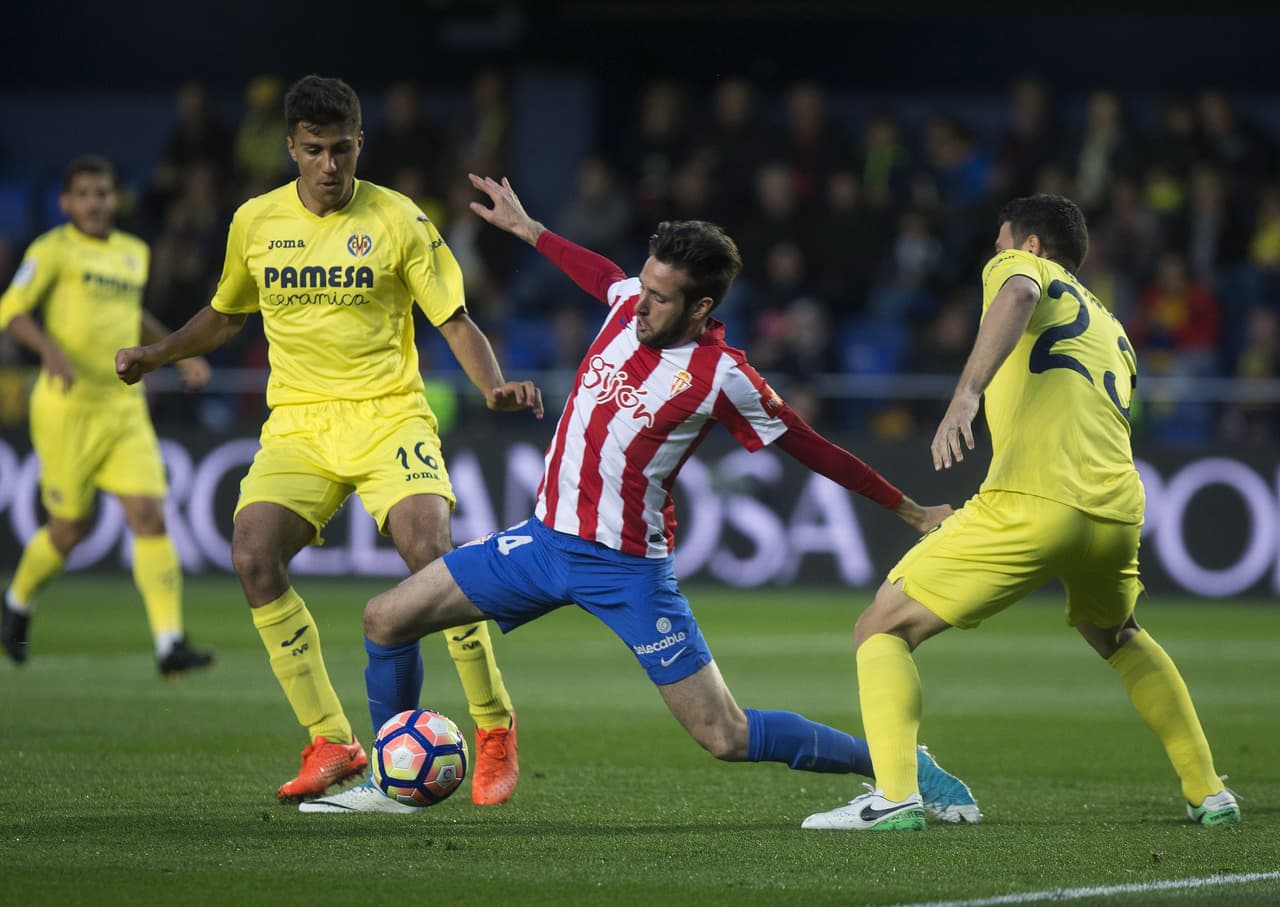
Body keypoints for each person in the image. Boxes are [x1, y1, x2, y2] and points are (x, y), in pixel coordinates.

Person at [297, 173, 981, 819]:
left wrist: (913, 510)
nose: (638, 301)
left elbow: (812, 446)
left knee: (724, 733)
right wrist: (532, 230)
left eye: (659, 296)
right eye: (643, 285)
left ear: (701, 306)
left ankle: (899, 761)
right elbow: (601, 275)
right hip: (540, 542)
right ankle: (392, 777)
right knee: (385, 618)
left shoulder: (722, 376)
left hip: (626, 569)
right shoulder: (631, 304)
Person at [115, 76, 543, 805]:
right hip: (299, 423)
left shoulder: (399, 218)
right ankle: (331, 739)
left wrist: (491, 384)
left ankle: (495, 727)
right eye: (313, 150)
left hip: (388, 414)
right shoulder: (254, 221)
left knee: (429, 552)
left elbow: (456, 320)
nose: (329, 165)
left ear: (359, 144)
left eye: (342, 149)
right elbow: (225, 315)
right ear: (291, 147)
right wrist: (155, 355)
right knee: (253, 553)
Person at [802, 194, 1241, 831]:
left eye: (1002, 242)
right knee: (1119, 636)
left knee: (881, 628)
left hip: (1034, 500)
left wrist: (965, 395)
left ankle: (895, 797)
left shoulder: (1021, 270)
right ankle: (1209, 792)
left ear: (1029, 245)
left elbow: (1015, 298)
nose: (997, 253)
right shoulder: (1114, 328)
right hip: (1116, 514)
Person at [0, 155, 214, 676]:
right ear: (66, 203)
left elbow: (130, 314)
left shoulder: (133, 253)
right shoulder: (52, 250)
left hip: (122, 405)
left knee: (149, 513)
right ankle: (17, 603)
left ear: (114, 200)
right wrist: (48, 351)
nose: (95, 202)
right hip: (67, 409)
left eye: (103, 193)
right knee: (69, 529)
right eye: (85, 194)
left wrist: (172, 351)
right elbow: (11, 308)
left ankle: (169, 643)